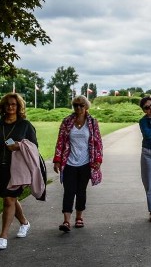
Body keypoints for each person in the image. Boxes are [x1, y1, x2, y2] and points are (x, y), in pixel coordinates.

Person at [0, 93, 38, 250]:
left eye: (13, 104)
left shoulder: (25, 125)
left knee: (8, 200)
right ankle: (25, 223)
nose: (10, 107)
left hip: (18, 169)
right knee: (10, 198)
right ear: (3, 107)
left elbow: (34, 148)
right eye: (7, 104)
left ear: (18, 107)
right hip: (0, 169)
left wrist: (19, 146)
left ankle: (3, 237)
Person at [52, 95, 104, 233]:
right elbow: (60, 141)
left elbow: (98, 142)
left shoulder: (92, 122)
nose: (78, 108)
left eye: (81, 105)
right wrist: (57, 160)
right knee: (68, 191)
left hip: (86, 162)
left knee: (81, 191)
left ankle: (79, 217)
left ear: (86, 106)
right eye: (76, 105)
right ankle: (66, 221)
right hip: (69, 162)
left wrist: (98, 160)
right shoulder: (67, 121)